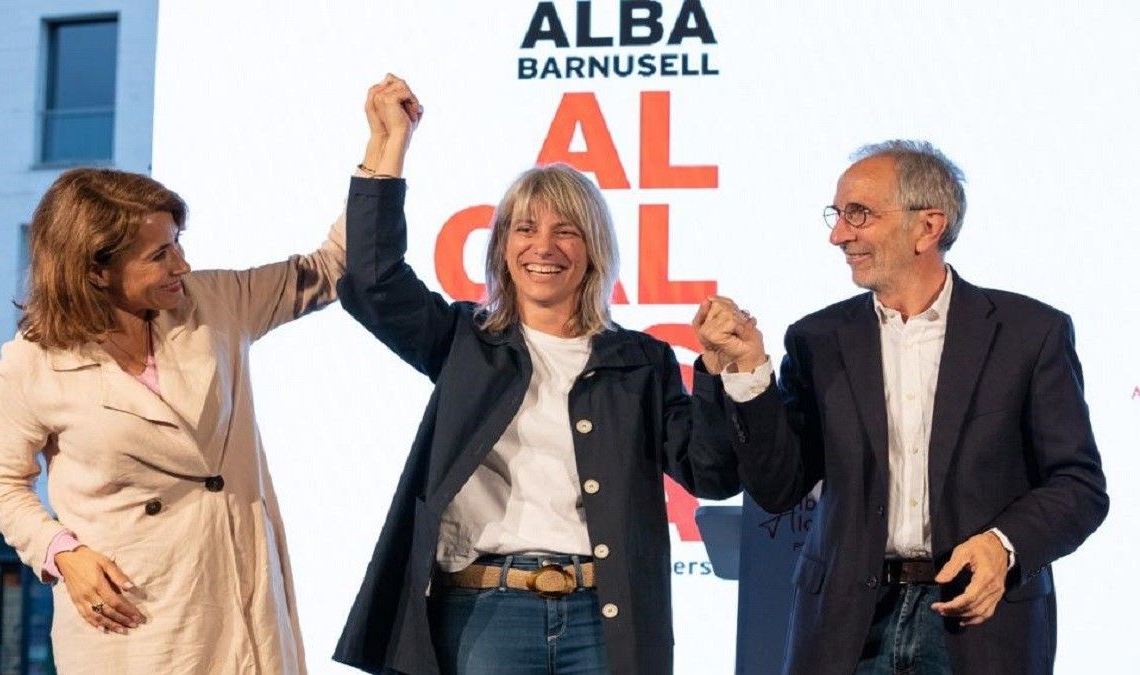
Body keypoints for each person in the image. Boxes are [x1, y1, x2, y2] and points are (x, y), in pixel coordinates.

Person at [332, 75, 751, 675]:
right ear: (501, 245)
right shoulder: (465, 342)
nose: (543, 247)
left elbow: (711, 475)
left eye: (565, 230)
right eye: (525, 229)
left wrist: (714, 372)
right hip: (484, 613)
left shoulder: (641, 360)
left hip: (601, 621)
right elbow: (373, 283)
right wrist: (387, 146)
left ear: (593, 248)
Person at [699, 141, 1108, 674]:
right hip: (847, 626)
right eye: (838, 215)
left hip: (978, 622)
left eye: (858, 214)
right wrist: (751, 375)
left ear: (928, 226)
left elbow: (1078, 485)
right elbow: (779, 488)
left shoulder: (1028, 333)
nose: (838, 234)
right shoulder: (817, 339)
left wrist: (1004, 545)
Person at [0, 167, 347, 673]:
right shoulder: (33, 361)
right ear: (94, 270)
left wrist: (384, 150)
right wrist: (62, 552)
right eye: (159, 255)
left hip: (237, 602)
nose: (182, 264)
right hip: (132, 619)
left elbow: (333, 266)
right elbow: (1, 483)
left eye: (177, 243)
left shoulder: (215, 304)